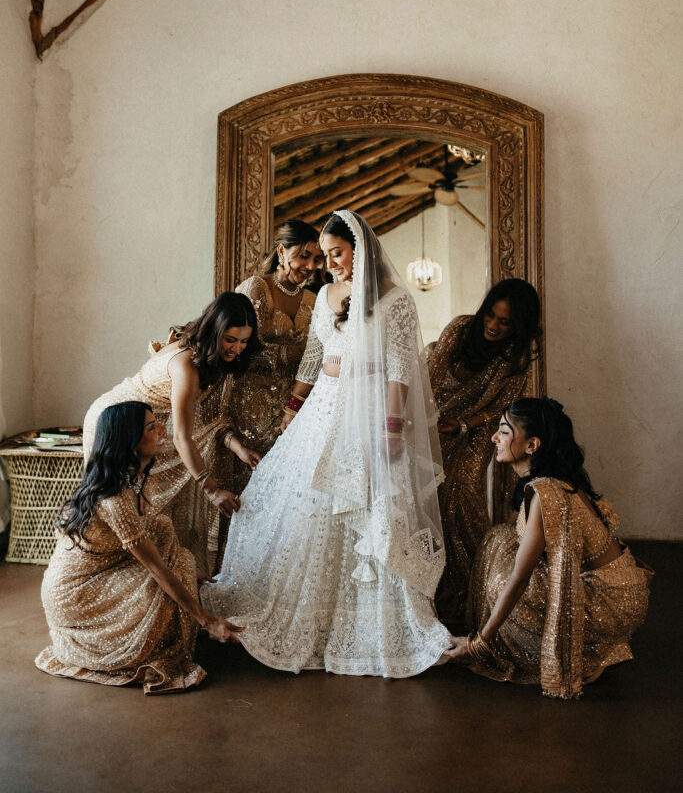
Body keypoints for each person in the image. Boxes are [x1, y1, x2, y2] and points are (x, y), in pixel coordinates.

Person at [201, 210, 450, 677]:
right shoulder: (326, 296)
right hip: (324, 407)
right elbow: (314, 360)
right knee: (293, 502)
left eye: (336, 253)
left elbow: (400, 369)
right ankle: (297, 607)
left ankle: (369, 623)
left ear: (361, 248)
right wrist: (292, 412)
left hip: (371, 408)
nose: (328, 264)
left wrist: (392, 428)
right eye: (324, 255)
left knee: (364, 508)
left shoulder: (394, 299)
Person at [446, 397, 653, 699]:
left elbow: (518, 579)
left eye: (504, 431)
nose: (494, 438)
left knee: (502, 580)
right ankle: (597, 647)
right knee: (499, 541)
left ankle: (590, 654)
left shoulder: (546, 494)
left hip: (611, 601)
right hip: (609, 589)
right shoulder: (542, 483)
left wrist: (479, 645)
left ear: (532, 446)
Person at [36, 402, 243, 694]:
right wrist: (208, 621)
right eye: (151, 427)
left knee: (178, 558)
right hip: (76, 595)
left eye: (157, 423)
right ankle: (127, 648)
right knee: (174, 573)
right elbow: (157, 569)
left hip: (99, 573)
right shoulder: (115, 498)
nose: (162, 430)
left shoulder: (129, 477)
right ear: (128, 441)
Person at [82, 292, 261, 575]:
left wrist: (238, 448)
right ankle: (115, 585)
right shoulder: (187, 365)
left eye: (244, 341)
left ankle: (160, 584)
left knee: (148, 511)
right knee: (124, 508)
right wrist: (212, 489)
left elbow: (209, 419)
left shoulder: (207, 352)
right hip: (116, 423)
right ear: (215, 331)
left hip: (147, 426)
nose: (237, 349)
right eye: (230, 339)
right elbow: (182, 437)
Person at [428, 278, 541, 626]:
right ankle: (430, 594)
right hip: (432, 416)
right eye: (490, 315)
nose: (493, 325)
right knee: (426, 494)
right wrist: (427, 422)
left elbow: (502, 409)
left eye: (504, 322)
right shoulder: (461, 329)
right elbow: (429, 379)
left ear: (518, 325)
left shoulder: (517, 355)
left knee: (462, 494)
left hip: (478, 428)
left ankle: (472, 593)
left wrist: (463, 424)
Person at [228, 220, 323, 493]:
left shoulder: (312, 300)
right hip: (249, 406)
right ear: (281, 251)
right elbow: (236, 349)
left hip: (291, 409)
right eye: (303, 256)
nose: (310, 266)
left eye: (317, 259)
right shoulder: (256, 289)